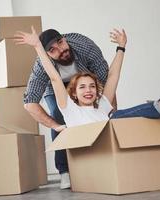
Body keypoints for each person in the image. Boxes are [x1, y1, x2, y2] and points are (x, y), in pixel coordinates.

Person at [14, 27, 160, 188]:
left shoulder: (101, 101)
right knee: (115, 117)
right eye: (82, 87)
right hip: (95, 147)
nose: (88, 91)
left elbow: (112, 76)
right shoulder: (69, 109)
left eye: (91, 87)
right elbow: (53, 80)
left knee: (117, 114)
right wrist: (38, 47)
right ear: (73, 93)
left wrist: (121, 47)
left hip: (113, 137)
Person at [19, 28, 113, 189]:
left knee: (99, 113)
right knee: (58, 114)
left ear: (64, 39)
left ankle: (103, 158)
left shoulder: (84, 46)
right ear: (47, 54)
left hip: (84, 83)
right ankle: (64, 171)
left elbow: (107, 82)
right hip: (56, 86)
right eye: (52, 50)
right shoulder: (41, 66)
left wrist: (110, 113)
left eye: (61, 43)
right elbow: (29, 102)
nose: (61, 50)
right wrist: (56, 126)